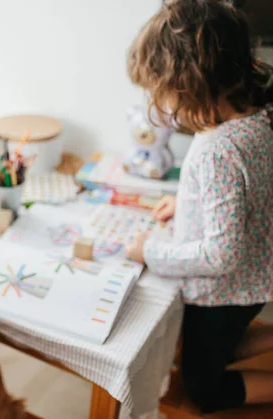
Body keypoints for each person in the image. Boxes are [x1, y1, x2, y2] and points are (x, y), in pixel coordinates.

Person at [125, 0, 273, 413]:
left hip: (226, 291)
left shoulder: (217, 150)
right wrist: (187, 202)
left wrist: (150, 252)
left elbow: (221, 254)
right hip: (257, 278)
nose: (163, 105)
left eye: (162, 92)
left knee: (201, 385)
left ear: (188, 84)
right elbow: (245, 191)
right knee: (224, 343)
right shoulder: (259, 117)